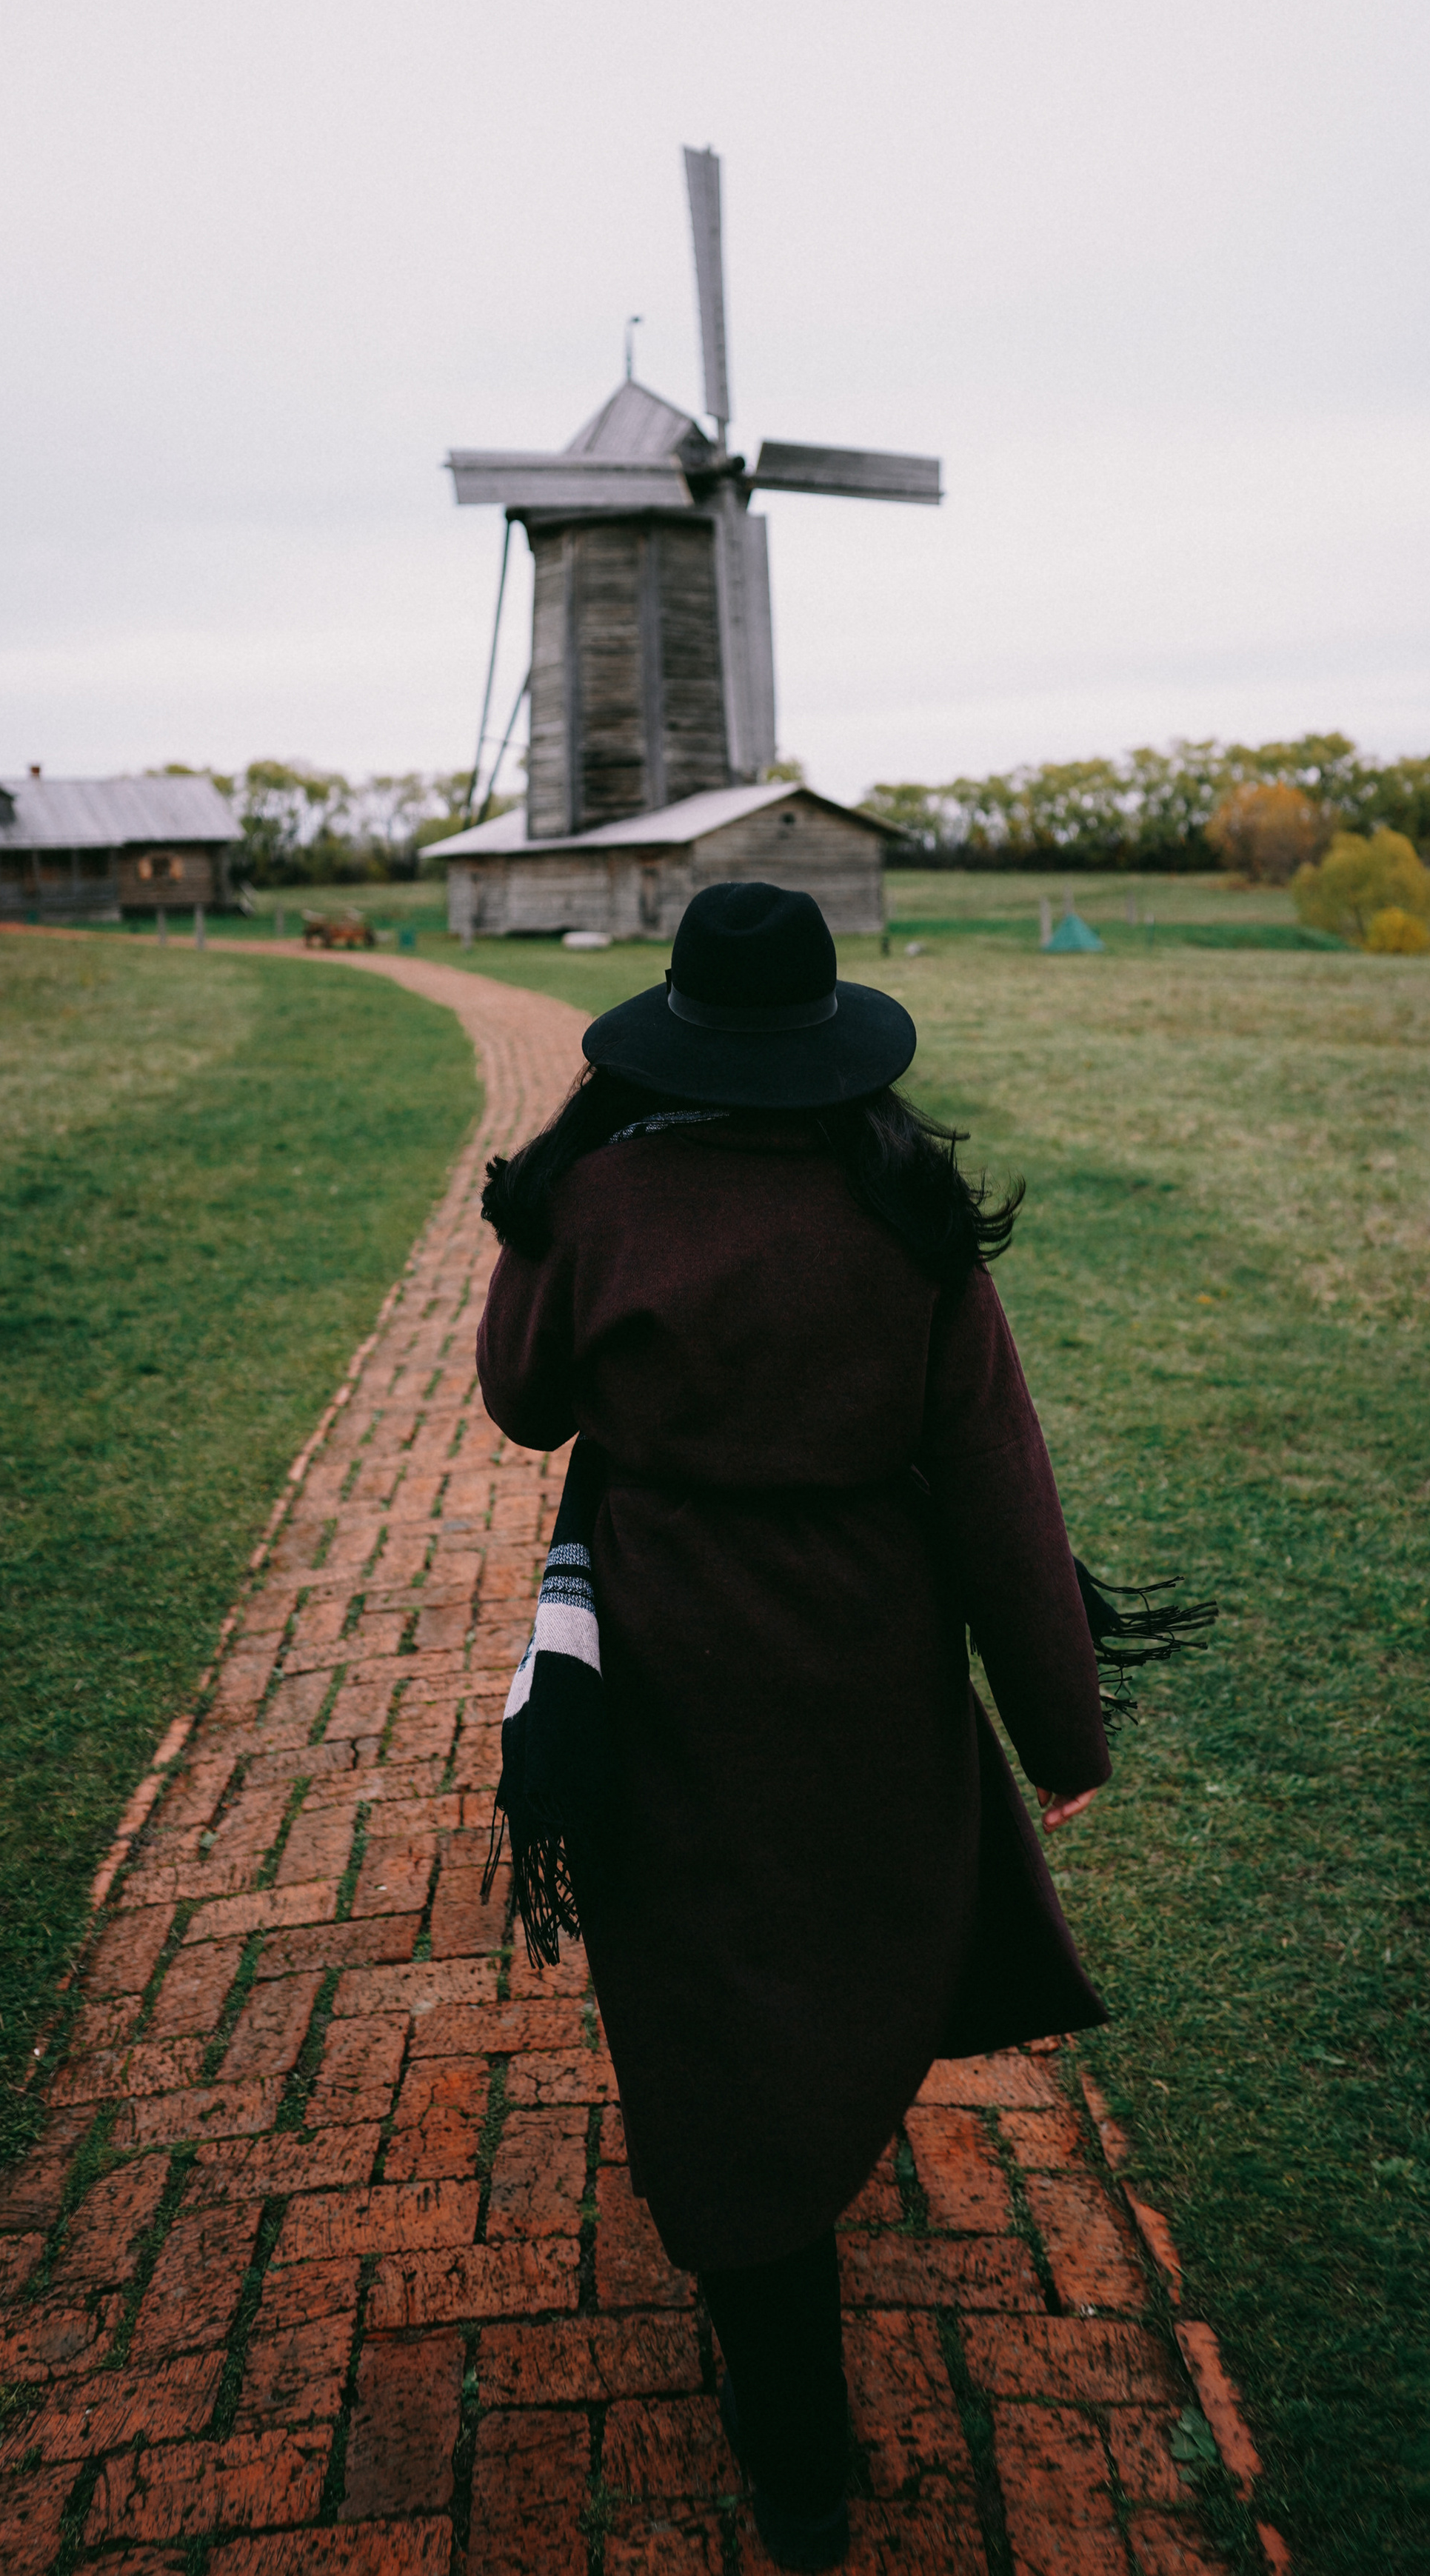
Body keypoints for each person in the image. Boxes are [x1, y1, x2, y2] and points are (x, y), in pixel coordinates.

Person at [478, 881, 1110, 2572]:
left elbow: (521, 1399)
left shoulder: (592, 1197)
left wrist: (551, 1232)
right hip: (860, 1653)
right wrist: (1061, 1735)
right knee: (822, 1956)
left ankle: (794, 2441)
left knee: (706, 1997)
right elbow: (994, 1480)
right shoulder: (899, 1204)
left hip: (665, 1652)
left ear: (671, 1022)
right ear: (832, 1039)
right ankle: (795, 2345)